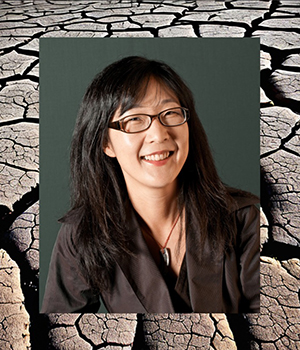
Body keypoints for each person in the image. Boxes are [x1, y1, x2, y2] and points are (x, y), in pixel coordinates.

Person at [41, 56, 260, 313]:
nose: (158, 134)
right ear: (105, 143)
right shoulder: (82, 233)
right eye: (134, 119)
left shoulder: (247, 220)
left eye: (170, 113)